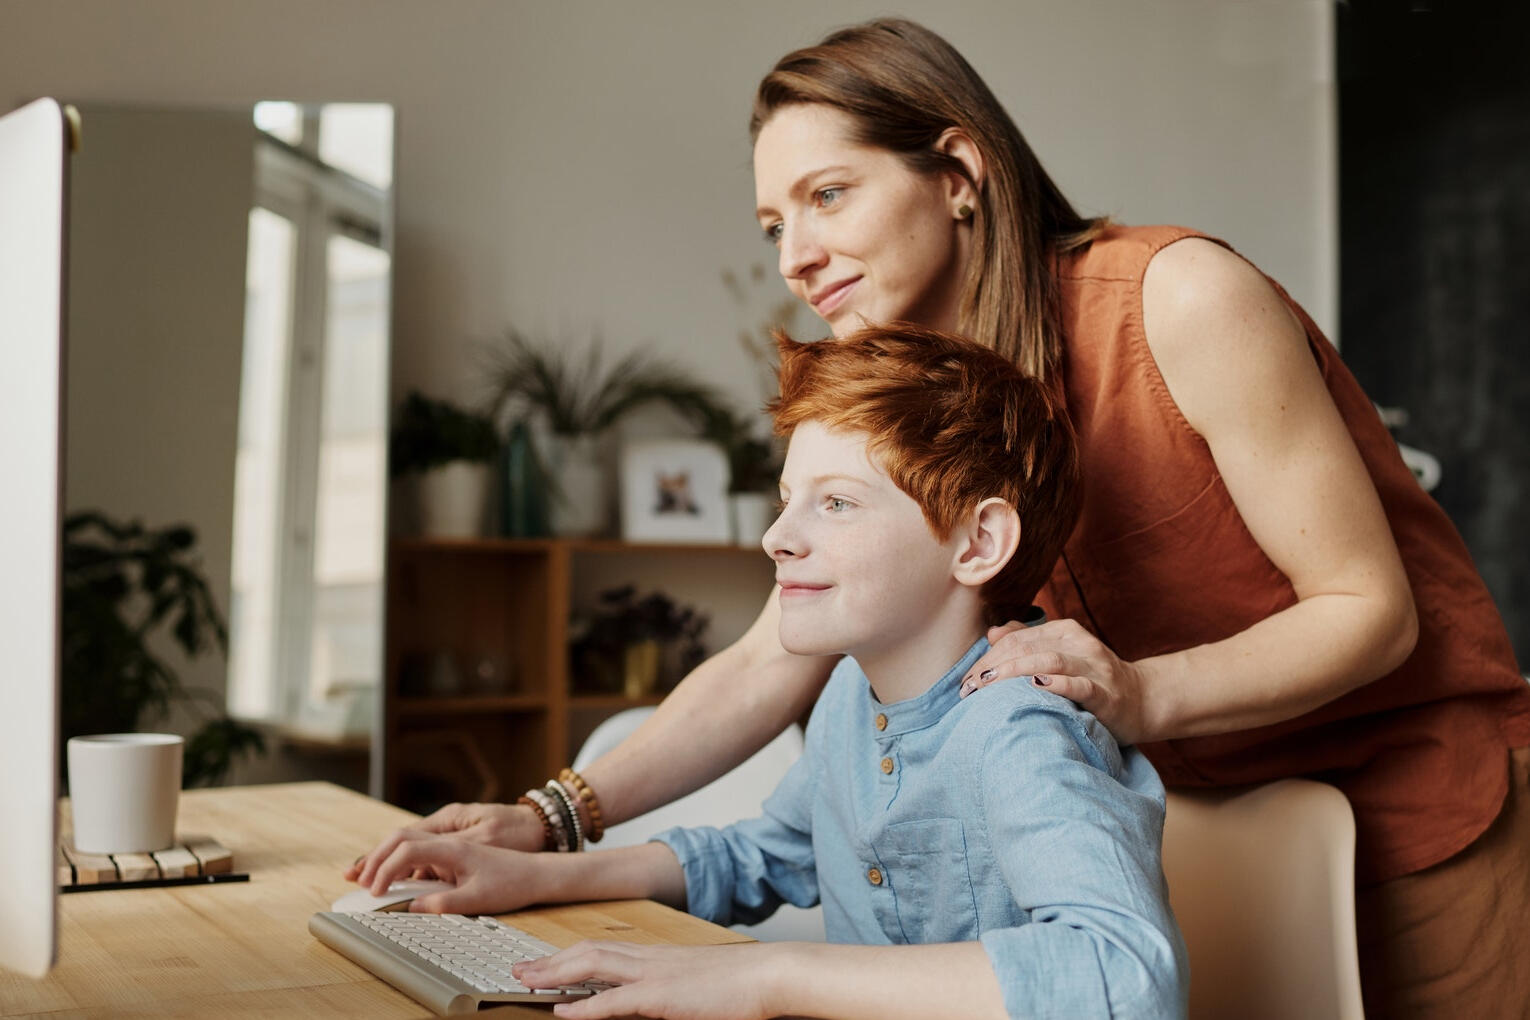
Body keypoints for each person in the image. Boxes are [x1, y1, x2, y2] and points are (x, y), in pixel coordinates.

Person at [351, 18, 1530, 1015]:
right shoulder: (928, 395)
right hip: (1194, 830)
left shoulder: (1179, 300)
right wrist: (547, 818)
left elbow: (1371, 613)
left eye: (826, 196)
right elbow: (770, 656)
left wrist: (1138, 693)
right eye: (774, 228)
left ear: (958, 175)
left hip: (1417, 817)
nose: (797, 258)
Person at [357, 326, 1189, 1020]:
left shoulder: (1020, 729)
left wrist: (766, 975)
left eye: (835, 503)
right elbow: (767, 856)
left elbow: (1123, 971)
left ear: (976, 545)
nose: (778, 537)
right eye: (787, 498)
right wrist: (539, 875)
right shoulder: (846, 701)